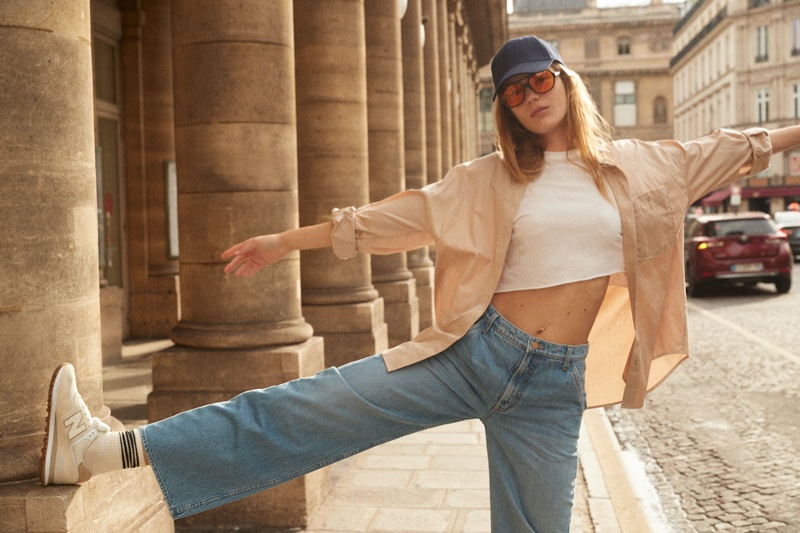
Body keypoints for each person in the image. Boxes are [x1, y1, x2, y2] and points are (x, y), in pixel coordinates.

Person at [39, 36, 800, 532]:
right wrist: (281, 241)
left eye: (539, 79)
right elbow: (386, 219)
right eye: (512, 91)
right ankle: (107, 450)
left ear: (565, 81)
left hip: (551, 389)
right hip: (475, 352)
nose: (530, 95)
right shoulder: (491, 178)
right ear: (505, 109)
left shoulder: (643, 167)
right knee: (297, 408)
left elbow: (747, 144)